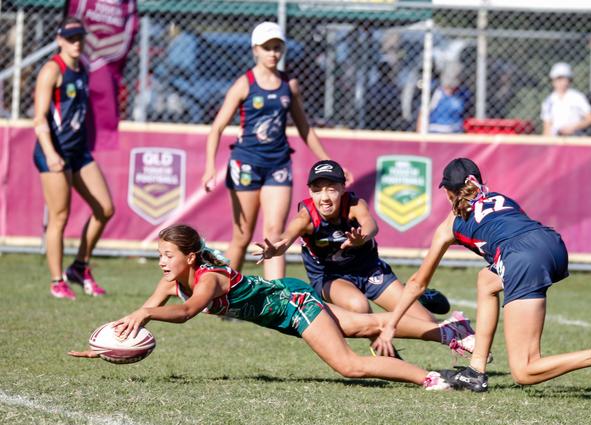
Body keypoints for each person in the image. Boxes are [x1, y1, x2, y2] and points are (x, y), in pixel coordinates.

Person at [68, 224, 453, 391]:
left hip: (292, 302)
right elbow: (145, 310)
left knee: (348, 365)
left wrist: (148, 314)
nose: (163, 262)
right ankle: (451, 332)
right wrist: (106, 344)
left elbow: (183, 314)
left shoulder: (209, 279)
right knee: (361, 325)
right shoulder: (173, 279)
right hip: (283, 307)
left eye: (168, 255)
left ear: (189, 256)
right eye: (159, 256)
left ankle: (432, 379)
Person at [378, 157, 591, 392]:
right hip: (552, 243)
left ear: (449, 193)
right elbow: (517, 234)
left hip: (522, 258)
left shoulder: (450, 224)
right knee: (487, 280)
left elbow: (417, 283)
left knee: (524, 371)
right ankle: (476, 371)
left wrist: (390, 325)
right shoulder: (502, 199)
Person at [254, 160, 480, 359]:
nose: (324, 197)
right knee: (358, 306)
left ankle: (421, 299)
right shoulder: (306, 217)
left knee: (427, 324)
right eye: (317, 190)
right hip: (330, 277)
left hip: (368, 270)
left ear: (343, 189)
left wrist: (361, 237)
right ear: (310, 192)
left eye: (331, 189)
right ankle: (381, 349)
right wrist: (276, 248)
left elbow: (372, 225)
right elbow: (286, 237)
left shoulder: (353, 205)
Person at [202, 21, 338, 281]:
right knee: (241, 236)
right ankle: (224, 295)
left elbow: (305, 129)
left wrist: (330, 163)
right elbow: (217, 127)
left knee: (275, 233)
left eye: (277, 47)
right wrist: (210, 166)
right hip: (246, 165)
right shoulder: (244, 84)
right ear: (255, 50)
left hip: (278, 165)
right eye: (267, 48)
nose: (273, 53)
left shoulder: (289, 85)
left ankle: (277, 303)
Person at [33, 17, 114, 300]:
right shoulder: (52, 70)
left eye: (80, 37)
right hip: (53, 152)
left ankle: (79, 266)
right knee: (60, 217)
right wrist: (52, 154)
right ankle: (57, 280)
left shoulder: (83, 68)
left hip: (78, 151)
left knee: (105, 208)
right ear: (59, 40)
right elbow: (40, 118)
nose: (77, 42)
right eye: (70, 38)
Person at [541, 62, 591, 136]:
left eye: (565, 79)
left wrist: (573, 127)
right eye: (558, 79)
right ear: (553, 81)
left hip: (575, 140)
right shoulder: (548, 101)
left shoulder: (577, 97)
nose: (562, 82)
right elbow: (547, 128)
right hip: (555, 142)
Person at [416, 63, 471, 134]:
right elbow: (423, 113)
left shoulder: (462, 94)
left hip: (455, 133)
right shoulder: (435, 92)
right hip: (436, 132)